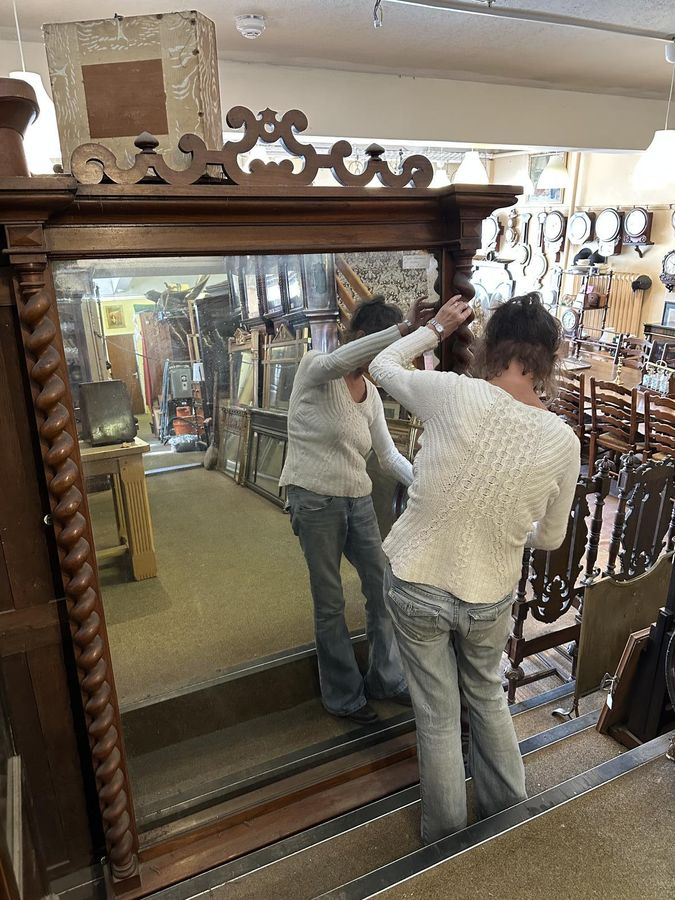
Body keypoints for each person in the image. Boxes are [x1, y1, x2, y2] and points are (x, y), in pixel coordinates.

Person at [369, 292, 580, 843]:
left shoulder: (451, 394)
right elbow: (551, 536)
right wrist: (512, 526)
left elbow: (380, 365)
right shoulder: (563, 441)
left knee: (437, 714)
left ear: (491, 347)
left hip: (417, 576)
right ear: (548, 358)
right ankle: (507, 823)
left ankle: (443, 838)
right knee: (487, 698)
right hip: (490, 593)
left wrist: (435, 328)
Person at [280, 295, 433, 724]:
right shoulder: (315, 366)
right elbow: (338, 362)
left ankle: (384, 677)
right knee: (329, 602)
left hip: (358, 501)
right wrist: (404, 330)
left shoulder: (369, 395)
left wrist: (430, 485)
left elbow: (387, 456)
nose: (380, 361)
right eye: (377, 349)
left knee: (384, 590)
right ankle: (343, 695)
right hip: (313, 499)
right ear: (360, 339)